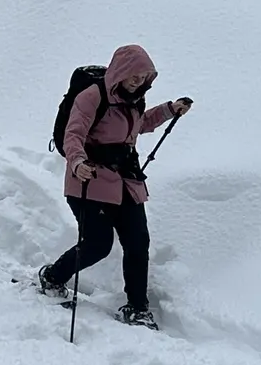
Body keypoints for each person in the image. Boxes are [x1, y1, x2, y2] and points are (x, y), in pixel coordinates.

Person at [38, 44, 194, 329]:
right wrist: (77, 162)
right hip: (89, 178)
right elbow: (74, 134)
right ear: (121, 71)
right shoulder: (92, 96)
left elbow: (139, 125)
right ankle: (52, 277)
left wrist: (170, 110)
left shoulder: (134, 100)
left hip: (126, 181)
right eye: (135, 75)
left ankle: (137, 307)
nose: (139, 81)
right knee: (98, 245)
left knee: (138, 243)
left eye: (145, 76)